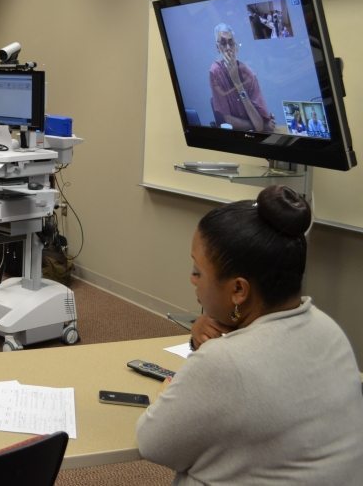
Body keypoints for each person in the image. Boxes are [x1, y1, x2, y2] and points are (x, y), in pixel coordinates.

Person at [136, 186, 363, 484]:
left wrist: (167, 392)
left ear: (239, 290)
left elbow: (152, 442)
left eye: (197, 271)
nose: (191, 280)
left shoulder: (224, 361)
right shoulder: (329, 330)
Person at [208, 23, 276, 132]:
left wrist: (237, 82)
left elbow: (260, 125)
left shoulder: (249, 74)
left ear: (236, 47)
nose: (228, 48)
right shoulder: (215, 72)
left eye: (231, 43)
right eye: (223, 43)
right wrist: (259, 124)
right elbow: (228, 120)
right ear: (218, 48)